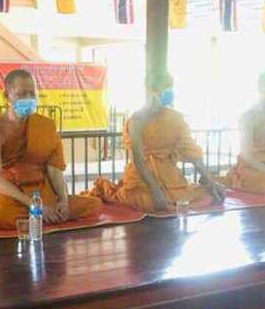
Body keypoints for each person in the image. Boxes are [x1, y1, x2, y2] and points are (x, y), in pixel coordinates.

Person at [0, 69, 101, 229]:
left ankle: (44, 215)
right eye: (22, 93)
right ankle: (43, 215)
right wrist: (34, 205)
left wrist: (63, 201)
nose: (29, 98)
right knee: (0, 215)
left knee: (93, 205)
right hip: (10, 191)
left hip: (40, 187)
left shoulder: (46, 125)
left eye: (32, 93)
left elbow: (54, 170)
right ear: (7, 96)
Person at [91, 73, 225, 213]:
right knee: (153, 203)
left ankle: (172, 204)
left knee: (211, 196)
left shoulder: (174, 118)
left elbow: (193, 154)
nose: (171, 93)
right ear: (153, 90)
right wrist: (156, 191)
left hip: (170, 178)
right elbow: (138, 160)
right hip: (142, 181)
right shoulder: (137, 120)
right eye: (167, 88)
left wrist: (211, 182)